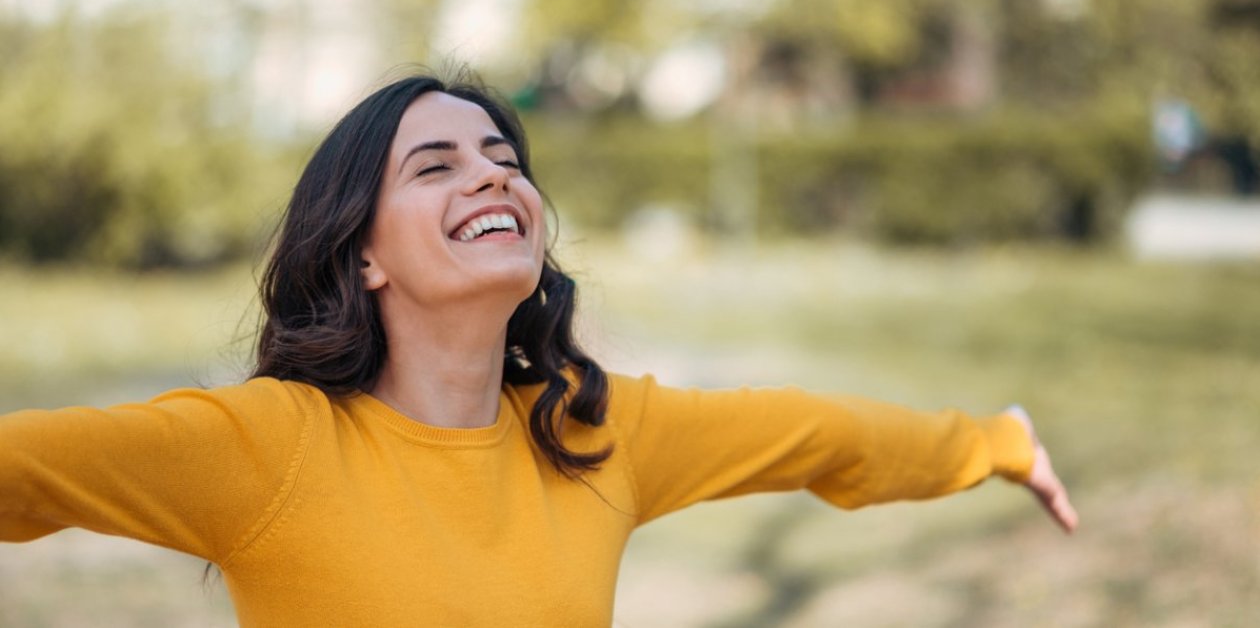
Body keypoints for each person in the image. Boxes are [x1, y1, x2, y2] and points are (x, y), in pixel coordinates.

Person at [0, 74, 1077, 626]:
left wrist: (992, 443)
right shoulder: (268, 446)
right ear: (362, 252)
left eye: (503, 155)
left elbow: (814, 438)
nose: (491, 174)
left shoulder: (593, 432)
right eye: (434, 165)